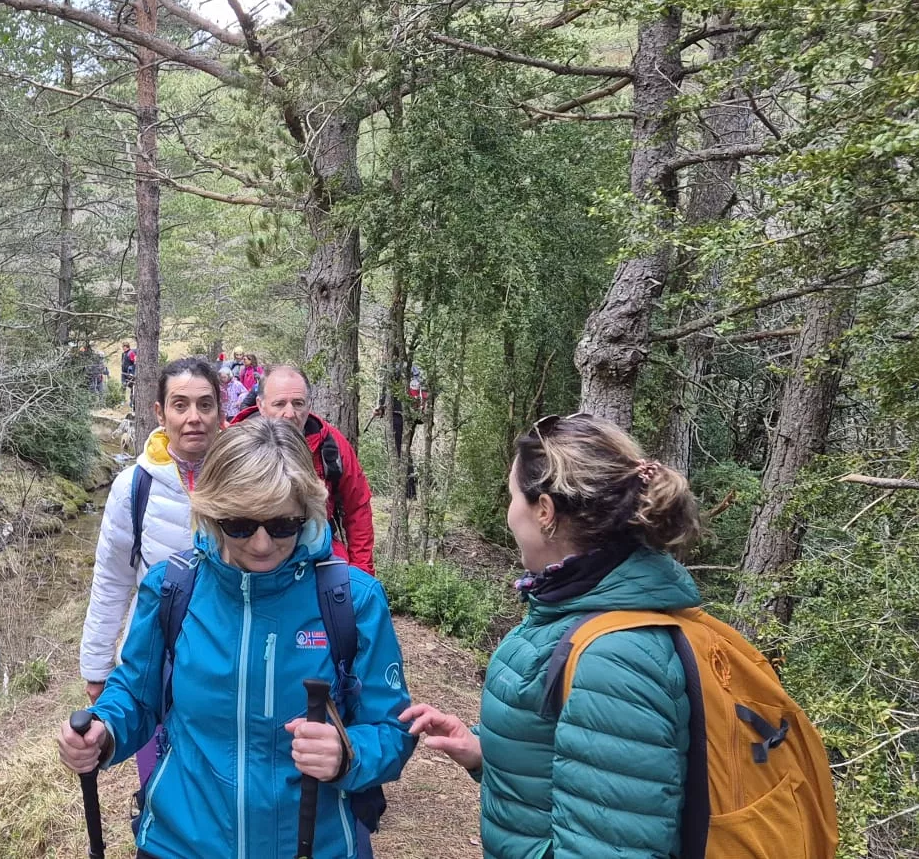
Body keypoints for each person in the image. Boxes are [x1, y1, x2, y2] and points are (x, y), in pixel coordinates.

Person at [60, 418, 416, 859]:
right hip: (180, 843)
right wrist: (104, 731)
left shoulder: (350, 600)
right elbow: (137, 694)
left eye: (283, 524)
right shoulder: (171, 588)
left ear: (307, 510)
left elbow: (395, 730)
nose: (263, 544)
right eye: (241, 525)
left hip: (311, 846)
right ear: (211, 512)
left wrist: (348, 754)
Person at [397, 413, 705, 859]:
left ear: (544, 511)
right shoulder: (573, 607)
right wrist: (487, 751)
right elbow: (578, 768)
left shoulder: (615, 657)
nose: (508, 513)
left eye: (511, 497)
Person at [80, 356, 223, 779]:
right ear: (160, 412)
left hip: (228, 652)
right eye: (180, 405)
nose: (193, 418)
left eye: (205, 404)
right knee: (159, 771)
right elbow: (112, 579)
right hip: (156, 656)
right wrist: (96, 668)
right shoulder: (133, 487)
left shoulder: (245, 476)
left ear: (220, 410)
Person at [230, 366, 376, 575]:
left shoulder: (331, 444)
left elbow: (358, 507)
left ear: (309, 404)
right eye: (279, 404)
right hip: (251, 561)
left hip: (317, 561)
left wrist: (362, 572)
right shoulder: (235, 444)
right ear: (260, 405)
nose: (290, 414)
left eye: (298, 404)